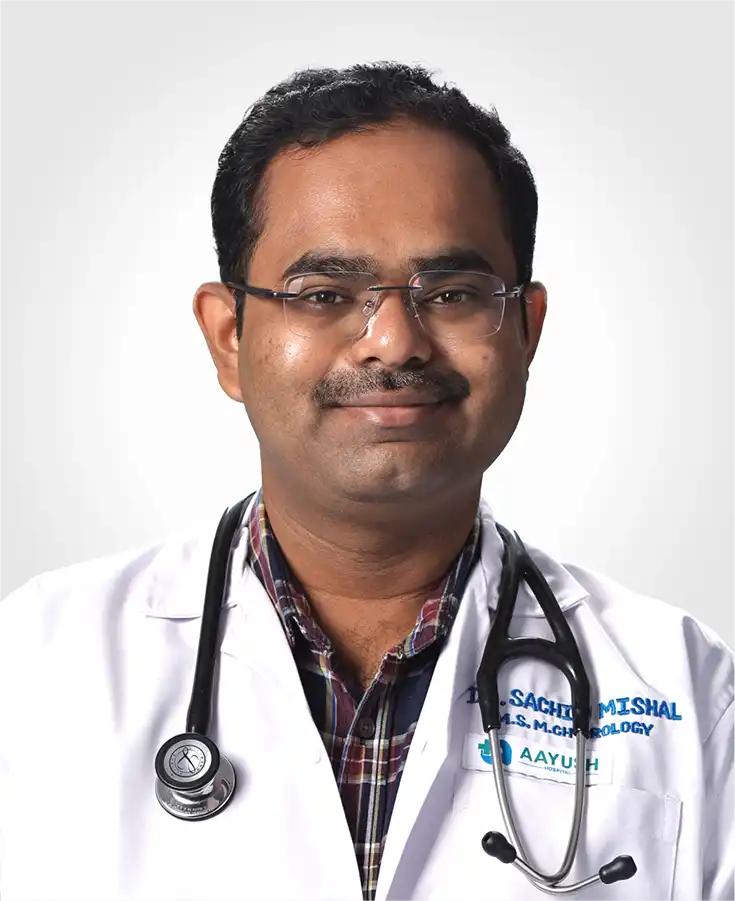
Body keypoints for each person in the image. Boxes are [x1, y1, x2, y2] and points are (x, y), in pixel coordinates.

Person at [0, 62, 732, 901]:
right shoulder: (34, 665)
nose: (393, 341)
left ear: (525, 331)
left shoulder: (685, 688)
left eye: (451, 293)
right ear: (229, 337)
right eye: (323, 293)